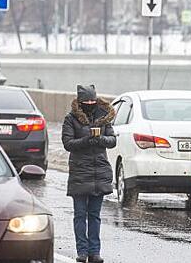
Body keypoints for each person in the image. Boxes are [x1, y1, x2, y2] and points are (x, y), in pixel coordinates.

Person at [62, 85, 116, 263]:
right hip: (79, 172)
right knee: (80, 214)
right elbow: (68, 143)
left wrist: (99, 139)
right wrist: (87, 140)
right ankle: (82, 252)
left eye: (93, 100)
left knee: (95, 215)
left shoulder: (103, 117)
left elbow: (112, 140)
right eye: (87, 101)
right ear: (80, 101)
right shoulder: (70, 119)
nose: (91, 104)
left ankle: (95, 252)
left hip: (99, 171)